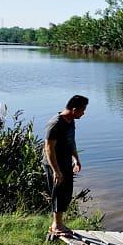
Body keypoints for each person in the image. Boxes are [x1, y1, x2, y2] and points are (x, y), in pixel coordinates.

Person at [43, 94, 89, 237]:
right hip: (55, 164)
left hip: (66, 162)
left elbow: (71, 141)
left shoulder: (70, 121)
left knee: (66, 193)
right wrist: (56, 170)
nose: (84, 113)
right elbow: (48, 148)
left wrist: (76, 159)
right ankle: (56, 225)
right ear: (74, 109)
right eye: (83, 110)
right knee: (58, 192)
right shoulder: (55, 123)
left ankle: (59, 223)